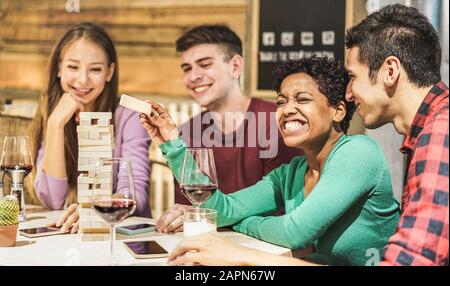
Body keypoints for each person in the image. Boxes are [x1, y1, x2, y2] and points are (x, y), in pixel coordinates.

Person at [140, 57, 400, 266]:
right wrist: (172, 143)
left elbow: (294, 232)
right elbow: (224, 209)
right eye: (281, 102)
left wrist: (235, 222)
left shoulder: (358, 152)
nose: (287, 110)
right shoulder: (291, 173)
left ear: (338, 110)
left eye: (303, 99)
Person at [345, 4, 448, 266]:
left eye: (352, 76)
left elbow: (413, 259)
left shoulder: (440, 129)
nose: (347, 93)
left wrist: (251, 262)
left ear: (390, 71)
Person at [28, 23, 152, 233]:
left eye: (95, 69)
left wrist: (97, 209)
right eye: (73, 67)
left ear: (109, 72)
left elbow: (134, 191)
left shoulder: (129, 115)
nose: (83, 80)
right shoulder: (51, 114)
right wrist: (56, 124)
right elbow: (52, 200)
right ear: (59, 68)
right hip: (67, 238)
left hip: (122, 239)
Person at [168, 25, 301, 209]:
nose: (193, 76)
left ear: (235, 66)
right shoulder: (187, 133)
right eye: (186, 68)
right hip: (204, 237)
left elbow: (283, 210)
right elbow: (186, 209)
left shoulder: (277, 122)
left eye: (205, 64)